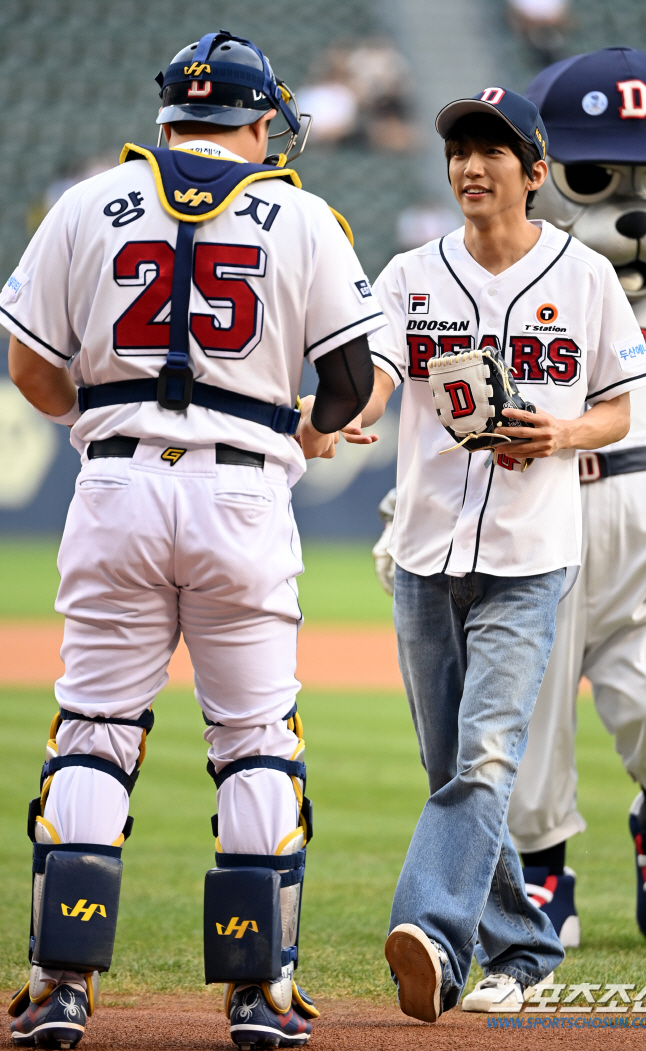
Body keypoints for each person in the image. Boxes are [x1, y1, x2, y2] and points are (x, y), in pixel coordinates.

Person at [4, 30, 384, 1050]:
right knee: (255, 741)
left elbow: (31, 368)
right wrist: (300, 432)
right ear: (259, 125)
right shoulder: (299, 213)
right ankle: (257, 996)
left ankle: (61, 984)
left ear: (167, 117)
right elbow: (351, 385)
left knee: (93, 727)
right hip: (244, 492)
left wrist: (121, 424)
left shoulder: (87, 200)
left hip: (116, 482)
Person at [348, 86, 646, 1020]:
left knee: (483, 758)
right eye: (459, 150)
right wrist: (351, 417)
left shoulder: (586, 276)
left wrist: (562, 434)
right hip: (423, 552)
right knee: (453, 766)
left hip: (532, 554)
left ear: (535, 170)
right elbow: (379, 374)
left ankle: (434, 938)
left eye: (492, 149)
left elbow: (619, 404)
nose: (471, 165)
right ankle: (523, 947)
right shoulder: (409, 272)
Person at [506, 48, 646, 946]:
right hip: (544, 527)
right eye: (594, 177)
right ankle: (542, 872)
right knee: (531, 713)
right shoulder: (524, 282)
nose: (635, 209)